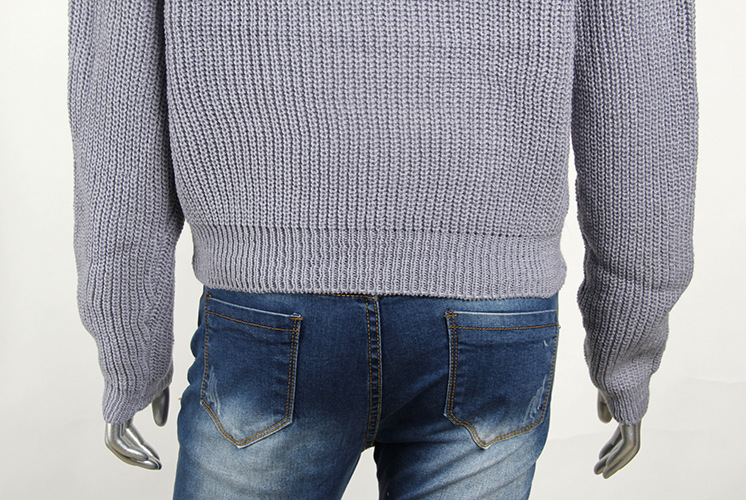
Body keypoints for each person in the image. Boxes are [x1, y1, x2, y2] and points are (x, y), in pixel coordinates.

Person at [68, 0, 698, 498]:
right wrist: (627, 348)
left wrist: (130, 347)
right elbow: (644, 103)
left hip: (268, 309)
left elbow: (115, 108)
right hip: (493, 318)